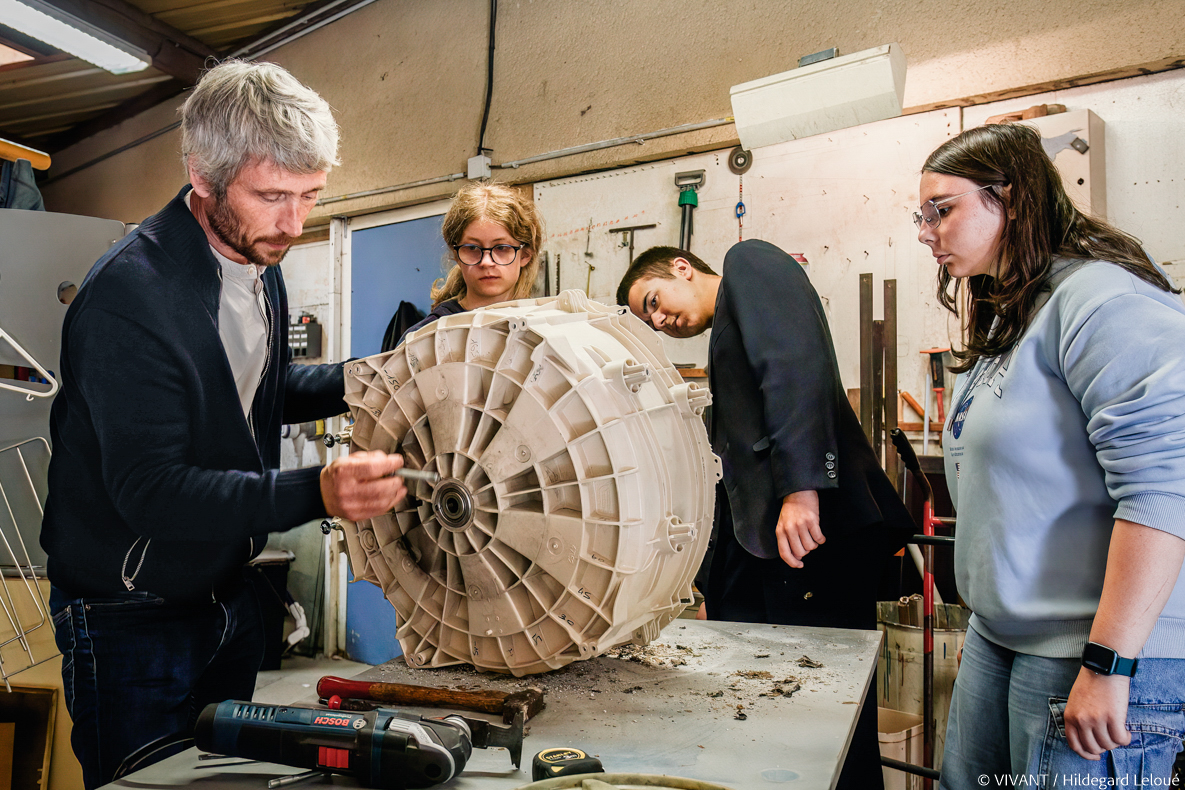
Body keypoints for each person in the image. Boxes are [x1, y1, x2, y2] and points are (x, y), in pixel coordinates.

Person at [41, 60, 408, 789]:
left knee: (226, 780)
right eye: (273, 196)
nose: (295, 225)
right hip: (131, 610)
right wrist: (320, 492)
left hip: (226, 594)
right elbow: (154, 490)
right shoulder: (130, 298)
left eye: (311, 196)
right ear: (202, 176)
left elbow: (258, 392)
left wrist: (380, 375)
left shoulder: (254, 257)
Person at [917, 123, 1185, 787]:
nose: (926, 233)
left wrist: (1108, 664)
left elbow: (1164, 488)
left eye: (941, 210)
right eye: (920, 217)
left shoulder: (1100, 302)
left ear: (1008, 199)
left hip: (1086, 647)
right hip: (1001, 632)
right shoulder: (1015, 311)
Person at [617, 241, 915, 789]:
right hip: (773, 545)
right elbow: (733, 470)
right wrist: (707, 582)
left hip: (816, 530)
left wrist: (803, 490)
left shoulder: (746, 262)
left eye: (654, 301)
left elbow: (795, 366)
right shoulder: (726, 338)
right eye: (649, 320)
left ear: (682, 268)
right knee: (773, 711)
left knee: (827, 711)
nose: (660, 321)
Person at [401, 182, 542, 338]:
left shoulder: (544, 327)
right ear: (456, 255)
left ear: (525, 255)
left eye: (501, 248)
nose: (486, 262)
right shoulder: (423, 338)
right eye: (473, 248)